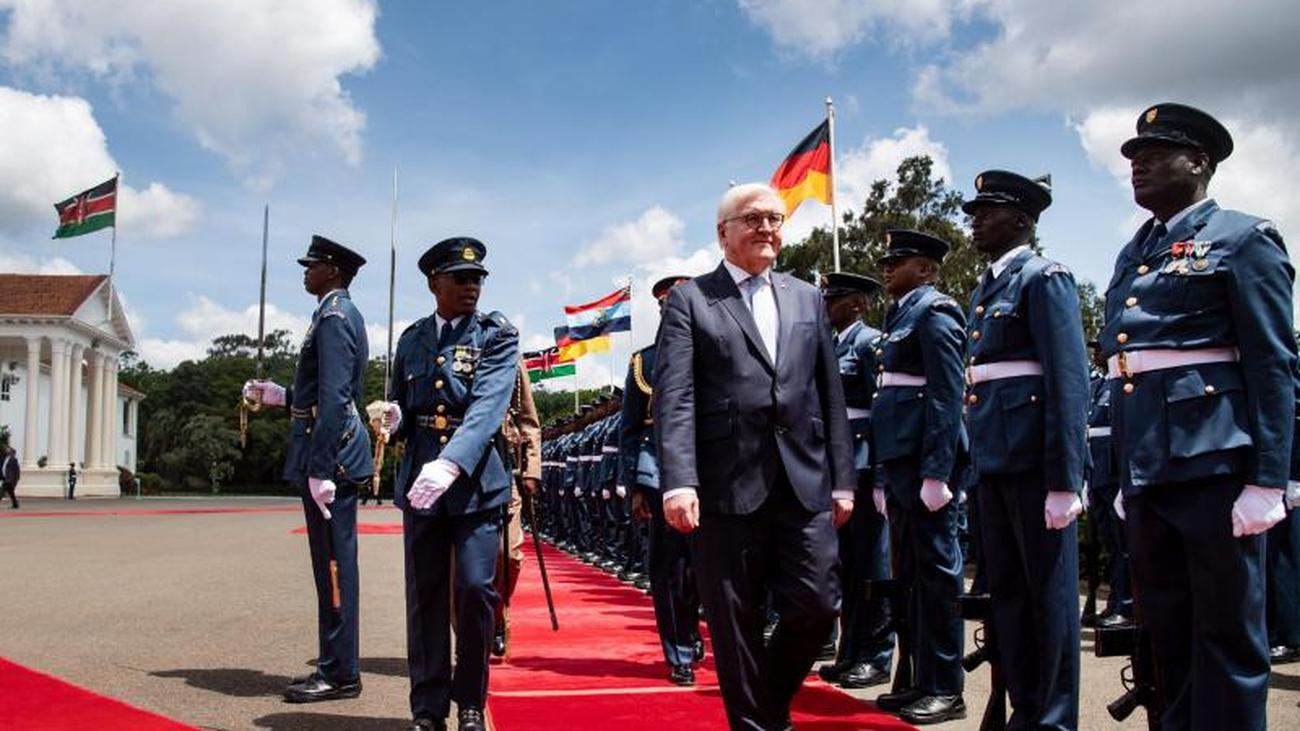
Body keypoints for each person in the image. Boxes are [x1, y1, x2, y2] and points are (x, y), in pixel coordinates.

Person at [1103, 103, 1295, 730]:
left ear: (1199, 162)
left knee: (1227, 634)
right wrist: (1127, 469)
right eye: (1135, 157)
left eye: (1156, 154)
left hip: (1215, 463)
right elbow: (1128, 367)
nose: (1140, 166)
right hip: (1150, 465)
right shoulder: (1135, 251)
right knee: (1166, 631)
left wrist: (1268, 479)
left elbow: (1272, 362)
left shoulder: (1243, 238)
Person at [654, 182, 855, 731]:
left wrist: (843, 480)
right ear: (723, 233)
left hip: (803, 481)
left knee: (819, 604)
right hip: (724, 484)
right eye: (752, 219)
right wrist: (679, 481)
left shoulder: (807, 297)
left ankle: (765, 705)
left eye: (775, 218)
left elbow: (829, 393)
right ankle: (757, 724)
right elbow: (675, 398)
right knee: (734, 621)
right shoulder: (692, 300)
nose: (766, 228)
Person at [962, 171, 1088, 729]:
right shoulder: (986, 288)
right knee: (1010, 597)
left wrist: (1065, 479)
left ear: (1020, 219)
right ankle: (1027, 710)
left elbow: (1068, 381)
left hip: (1036, 464)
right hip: (995, 458)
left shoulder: (1044, 278)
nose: (976, 222)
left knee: (1051, 600)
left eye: (986, 212)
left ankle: (1054, 719)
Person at [379, 236, 519, 731]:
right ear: (433, 283)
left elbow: (487, 408)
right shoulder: (412, 339)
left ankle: (471, 702)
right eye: (460, 278)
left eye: (477, 278)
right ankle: (427, 708)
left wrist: (451, 463)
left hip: (475, 483)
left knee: (476, 590)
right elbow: (403, 406)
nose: (471, 286)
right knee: (426, 596)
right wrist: (393, 419)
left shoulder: (496, 335)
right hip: (421, 481)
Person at [242, 235, 371, 703]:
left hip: (331, 455)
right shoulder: (331, 314)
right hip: (329, 450)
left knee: (334, 565)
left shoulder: (334, 318)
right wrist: (283, 396)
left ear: (332, 270)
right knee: (328, 563)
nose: (305, 271)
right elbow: (323, 393)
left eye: (312, 264)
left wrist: (321, 467)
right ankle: (335, 660)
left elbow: (336, 398)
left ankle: (341, 673)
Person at [870, 230, 968, 725]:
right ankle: (920, 677)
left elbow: (947, 396)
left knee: (937, 577)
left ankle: (946, 687)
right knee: (910, 579)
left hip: (924, 465)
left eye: (900, 260)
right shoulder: (900, 314)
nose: (888, 267)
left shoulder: (935, 312)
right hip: (901, 461)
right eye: (887, 260)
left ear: (926, 269)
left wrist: (937, 471)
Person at [619, 274, 704, 686]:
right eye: (666, 304)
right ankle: (679, 651)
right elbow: (630, 427)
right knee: (669, 568)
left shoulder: (715, 351)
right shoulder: (644, 362)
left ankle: (692, 629)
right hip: (658, 472)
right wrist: (634, 486)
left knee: (702, 567)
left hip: (709, 471)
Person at [816, 272, 894, 690]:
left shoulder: (869, 343)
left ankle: (876, 655)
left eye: (836, 299)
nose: (827, 306)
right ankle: (849, 651)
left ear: (858, 304)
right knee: (844, 565)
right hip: (836, 468)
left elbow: (881, 413)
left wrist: (880, 475)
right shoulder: (831, 346)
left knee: (872, 566)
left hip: (863, 466)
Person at [494, 356, 542, 658]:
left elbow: (528, 419)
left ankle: (497, 615)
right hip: (466, 470)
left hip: (504, 467)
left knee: (508, 555)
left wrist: (532, 470)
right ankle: (475, 634)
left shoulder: (510, 356)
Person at [1085, 341, 1133, 628]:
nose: (1097, 354)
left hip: (1115, 472)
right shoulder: (1097, 384)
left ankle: (1125, 604)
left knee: (1123, 543)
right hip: (1098, 474)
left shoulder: (1121, 382)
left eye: (1101, 348)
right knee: (1109, 544)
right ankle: (1115, 599)